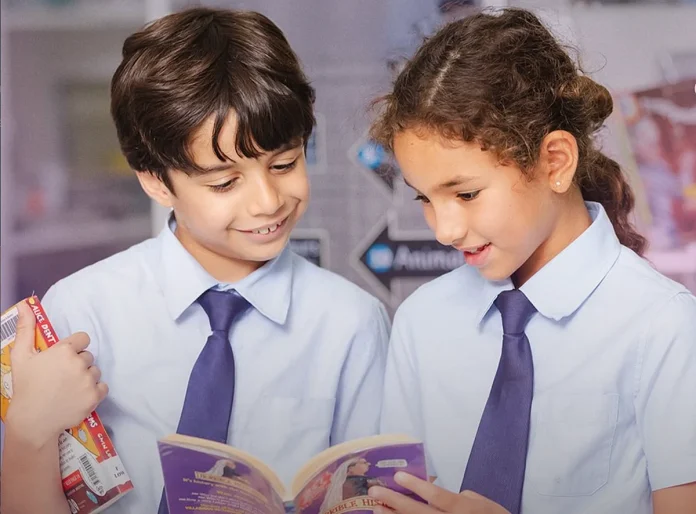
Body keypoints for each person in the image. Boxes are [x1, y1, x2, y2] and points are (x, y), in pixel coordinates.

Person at [0, 8, 390, 514]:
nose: (268, 201)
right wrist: (30, 429)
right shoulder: (81, 311)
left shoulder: (350, 323)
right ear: (155, 181)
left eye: (285, 164)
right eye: (225, 183)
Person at [367, 8, 696, 514]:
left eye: (466, 194)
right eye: (425, 199)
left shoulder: (663, 325)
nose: (444, 230)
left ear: (555, 161)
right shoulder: (422, 322)